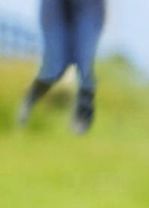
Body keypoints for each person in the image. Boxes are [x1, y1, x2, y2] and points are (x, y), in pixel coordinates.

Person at [18, 0, 106, 134]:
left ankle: (82, 117)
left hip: (90, 5)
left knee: (84, 62)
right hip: (56, 5)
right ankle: (29, 102)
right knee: (54, 67)